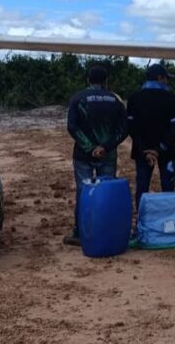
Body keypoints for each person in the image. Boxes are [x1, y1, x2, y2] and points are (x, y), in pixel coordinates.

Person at [65, 65, 128, 246]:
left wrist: (89, 147)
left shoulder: (78, 98)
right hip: (107, 154)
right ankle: (107, 229)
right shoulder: (115, 100)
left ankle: (79, 233)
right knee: (106, 192)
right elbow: (123, 129)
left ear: (88, 80)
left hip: (83, 155)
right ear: (106, 81)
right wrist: (105, 147)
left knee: (83, 192)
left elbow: (72, 126)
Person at [127, 63, 175, 210]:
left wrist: (145, 149)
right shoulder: (171, 98)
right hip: (167, 150)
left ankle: (141, 223)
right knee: (168, 187)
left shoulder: (134, 98)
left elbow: (131, 128)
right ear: (160, 78)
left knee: (142, 187)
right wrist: (159, 149)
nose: (167, 81)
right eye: (166, 78)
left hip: (141, 151)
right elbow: (174, 129)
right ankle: (168, 222)